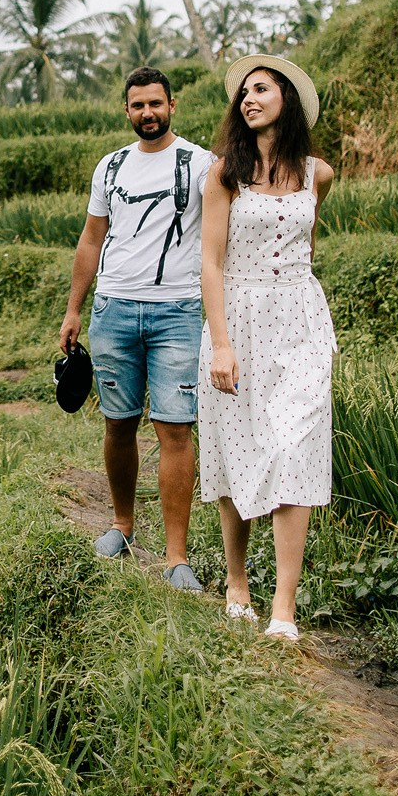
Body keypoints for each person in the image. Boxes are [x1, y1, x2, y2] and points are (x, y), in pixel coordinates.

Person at [197, 54, 337, 642]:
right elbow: (210, 263)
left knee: (294, 450)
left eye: (261, 89)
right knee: (238, 447)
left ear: (288, 100)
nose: (249, 99)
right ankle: (237, 582)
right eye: (244, 93)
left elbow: (306, 246)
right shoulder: (224, 174)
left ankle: (284, 608)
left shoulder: (317, 174)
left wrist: (298, 301)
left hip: (300, 322)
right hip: (239, 321)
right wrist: (221, 345)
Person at [59, 65, 214, 591]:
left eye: (156, 103)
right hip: (114, 309)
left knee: (175, 429)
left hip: (177, 312)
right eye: (138, 105)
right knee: (119, 423)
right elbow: (91, 239)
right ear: (126, 110)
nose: (148, 112)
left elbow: (223, 232)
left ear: (172, 105)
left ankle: (176, 557)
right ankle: (122, 526)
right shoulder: (111, 166)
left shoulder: (201, 164)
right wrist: (74, 309)